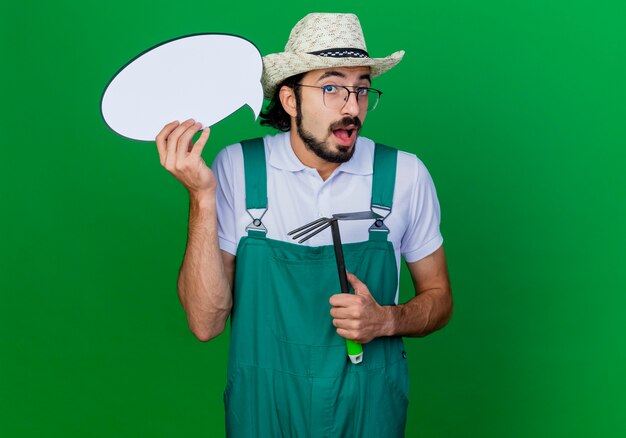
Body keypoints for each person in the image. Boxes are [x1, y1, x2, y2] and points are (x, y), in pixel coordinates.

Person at [156, 12, 452, 437]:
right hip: (264, 410)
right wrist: (201, 198)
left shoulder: (405, 175)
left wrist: (385, 321)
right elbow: (206, 324)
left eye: (362, 89)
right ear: (290, 99)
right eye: (331, 87)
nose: (352, 107)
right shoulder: (239, 169)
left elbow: (440, 300)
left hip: (367, 410)